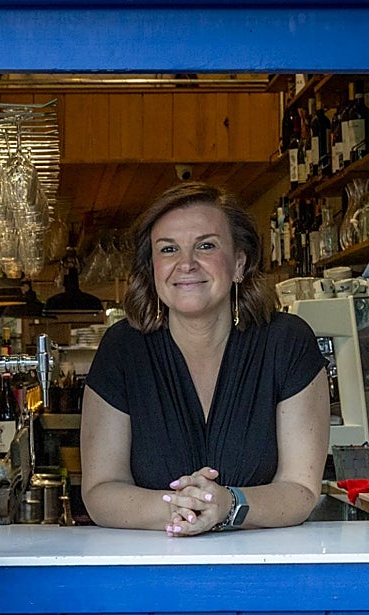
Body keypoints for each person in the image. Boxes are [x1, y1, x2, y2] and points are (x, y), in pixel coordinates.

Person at [81, 182, 329, 535]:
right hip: (150, 572)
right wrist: (179, 510)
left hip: (265, 571)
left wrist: (228, 505)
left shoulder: (286, 342)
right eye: (168, 249)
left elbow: (300, 491)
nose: (186, 264)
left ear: (239, 262)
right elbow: (100, 490)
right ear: (152, 268)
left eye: (206, 246)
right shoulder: (123, 350)